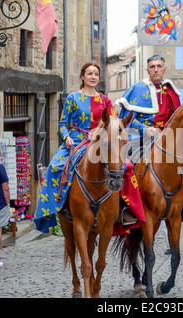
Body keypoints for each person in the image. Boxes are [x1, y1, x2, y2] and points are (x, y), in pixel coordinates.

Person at [117, 55, 183, 221]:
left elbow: (178, 119)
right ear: (147, 70)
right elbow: (125, 118)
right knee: (126, 165)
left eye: (159, 66)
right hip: (141, 137)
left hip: (168, 138)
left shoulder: (171, 91)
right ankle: (126, 207)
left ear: (164, 69)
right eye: (152, 67)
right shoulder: (138, 88)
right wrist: (144, 129)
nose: (156, 69)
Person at [34, 62, 118, 233]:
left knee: (123, 167)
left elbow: (114, 123)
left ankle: (122, 209)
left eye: (96, 74)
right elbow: (63, 123)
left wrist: (98, 131)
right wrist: (65, 137)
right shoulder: (73, 98)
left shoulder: (105, 100)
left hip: (100, 142)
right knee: (54, 167)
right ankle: (57, 207)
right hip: (77, 140)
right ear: (82, 76)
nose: (93, 77)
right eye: (89, 73)